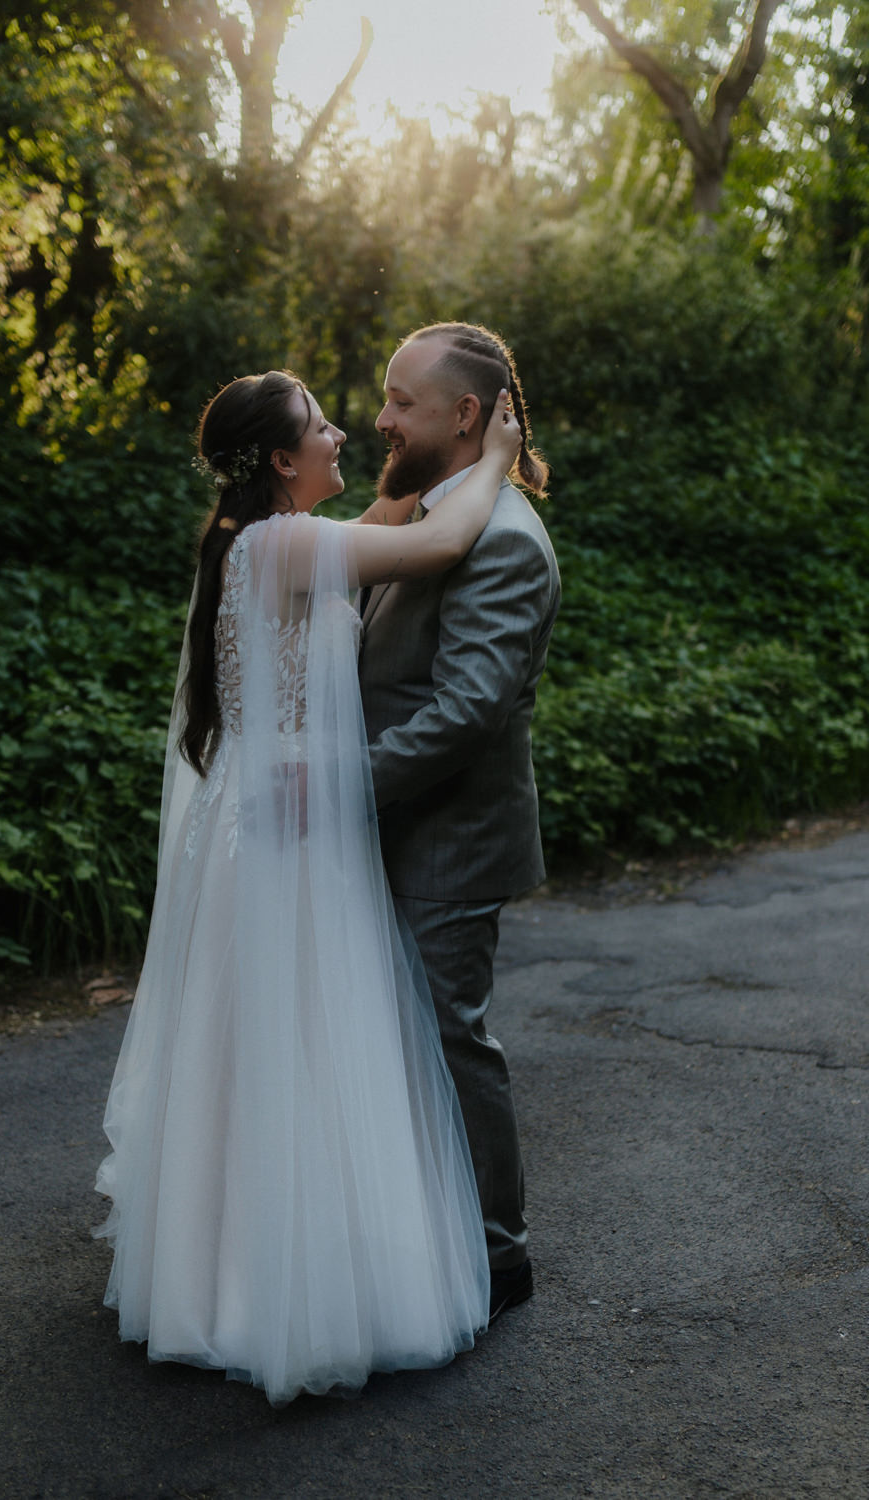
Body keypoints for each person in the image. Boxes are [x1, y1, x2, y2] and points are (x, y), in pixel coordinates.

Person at [94, 370, 521, 1406]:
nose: (343, 434)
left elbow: (386, 512)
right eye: (321, 426)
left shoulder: (264, 537)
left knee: (252, 1048)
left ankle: (220, 1263)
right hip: (288, 822)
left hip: (258, 811)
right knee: (298, 1042)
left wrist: (437, 467)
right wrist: (498, 460)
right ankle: (281, 1283)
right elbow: (431, 545)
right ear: (283, 460)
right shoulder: (285, 546)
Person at [359, 323, 561, 1323]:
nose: (382, 416)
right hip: (399, 828)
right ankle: (419, 1231)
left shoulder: (504, 539)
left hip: (447, 838)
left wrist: (344, 786)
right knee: (398, 1040)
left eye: (400, 399)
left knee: (447, 1040)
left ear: (464, 415)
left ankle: (496, 1254)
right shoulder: (424, 510)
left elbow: (466, 707)